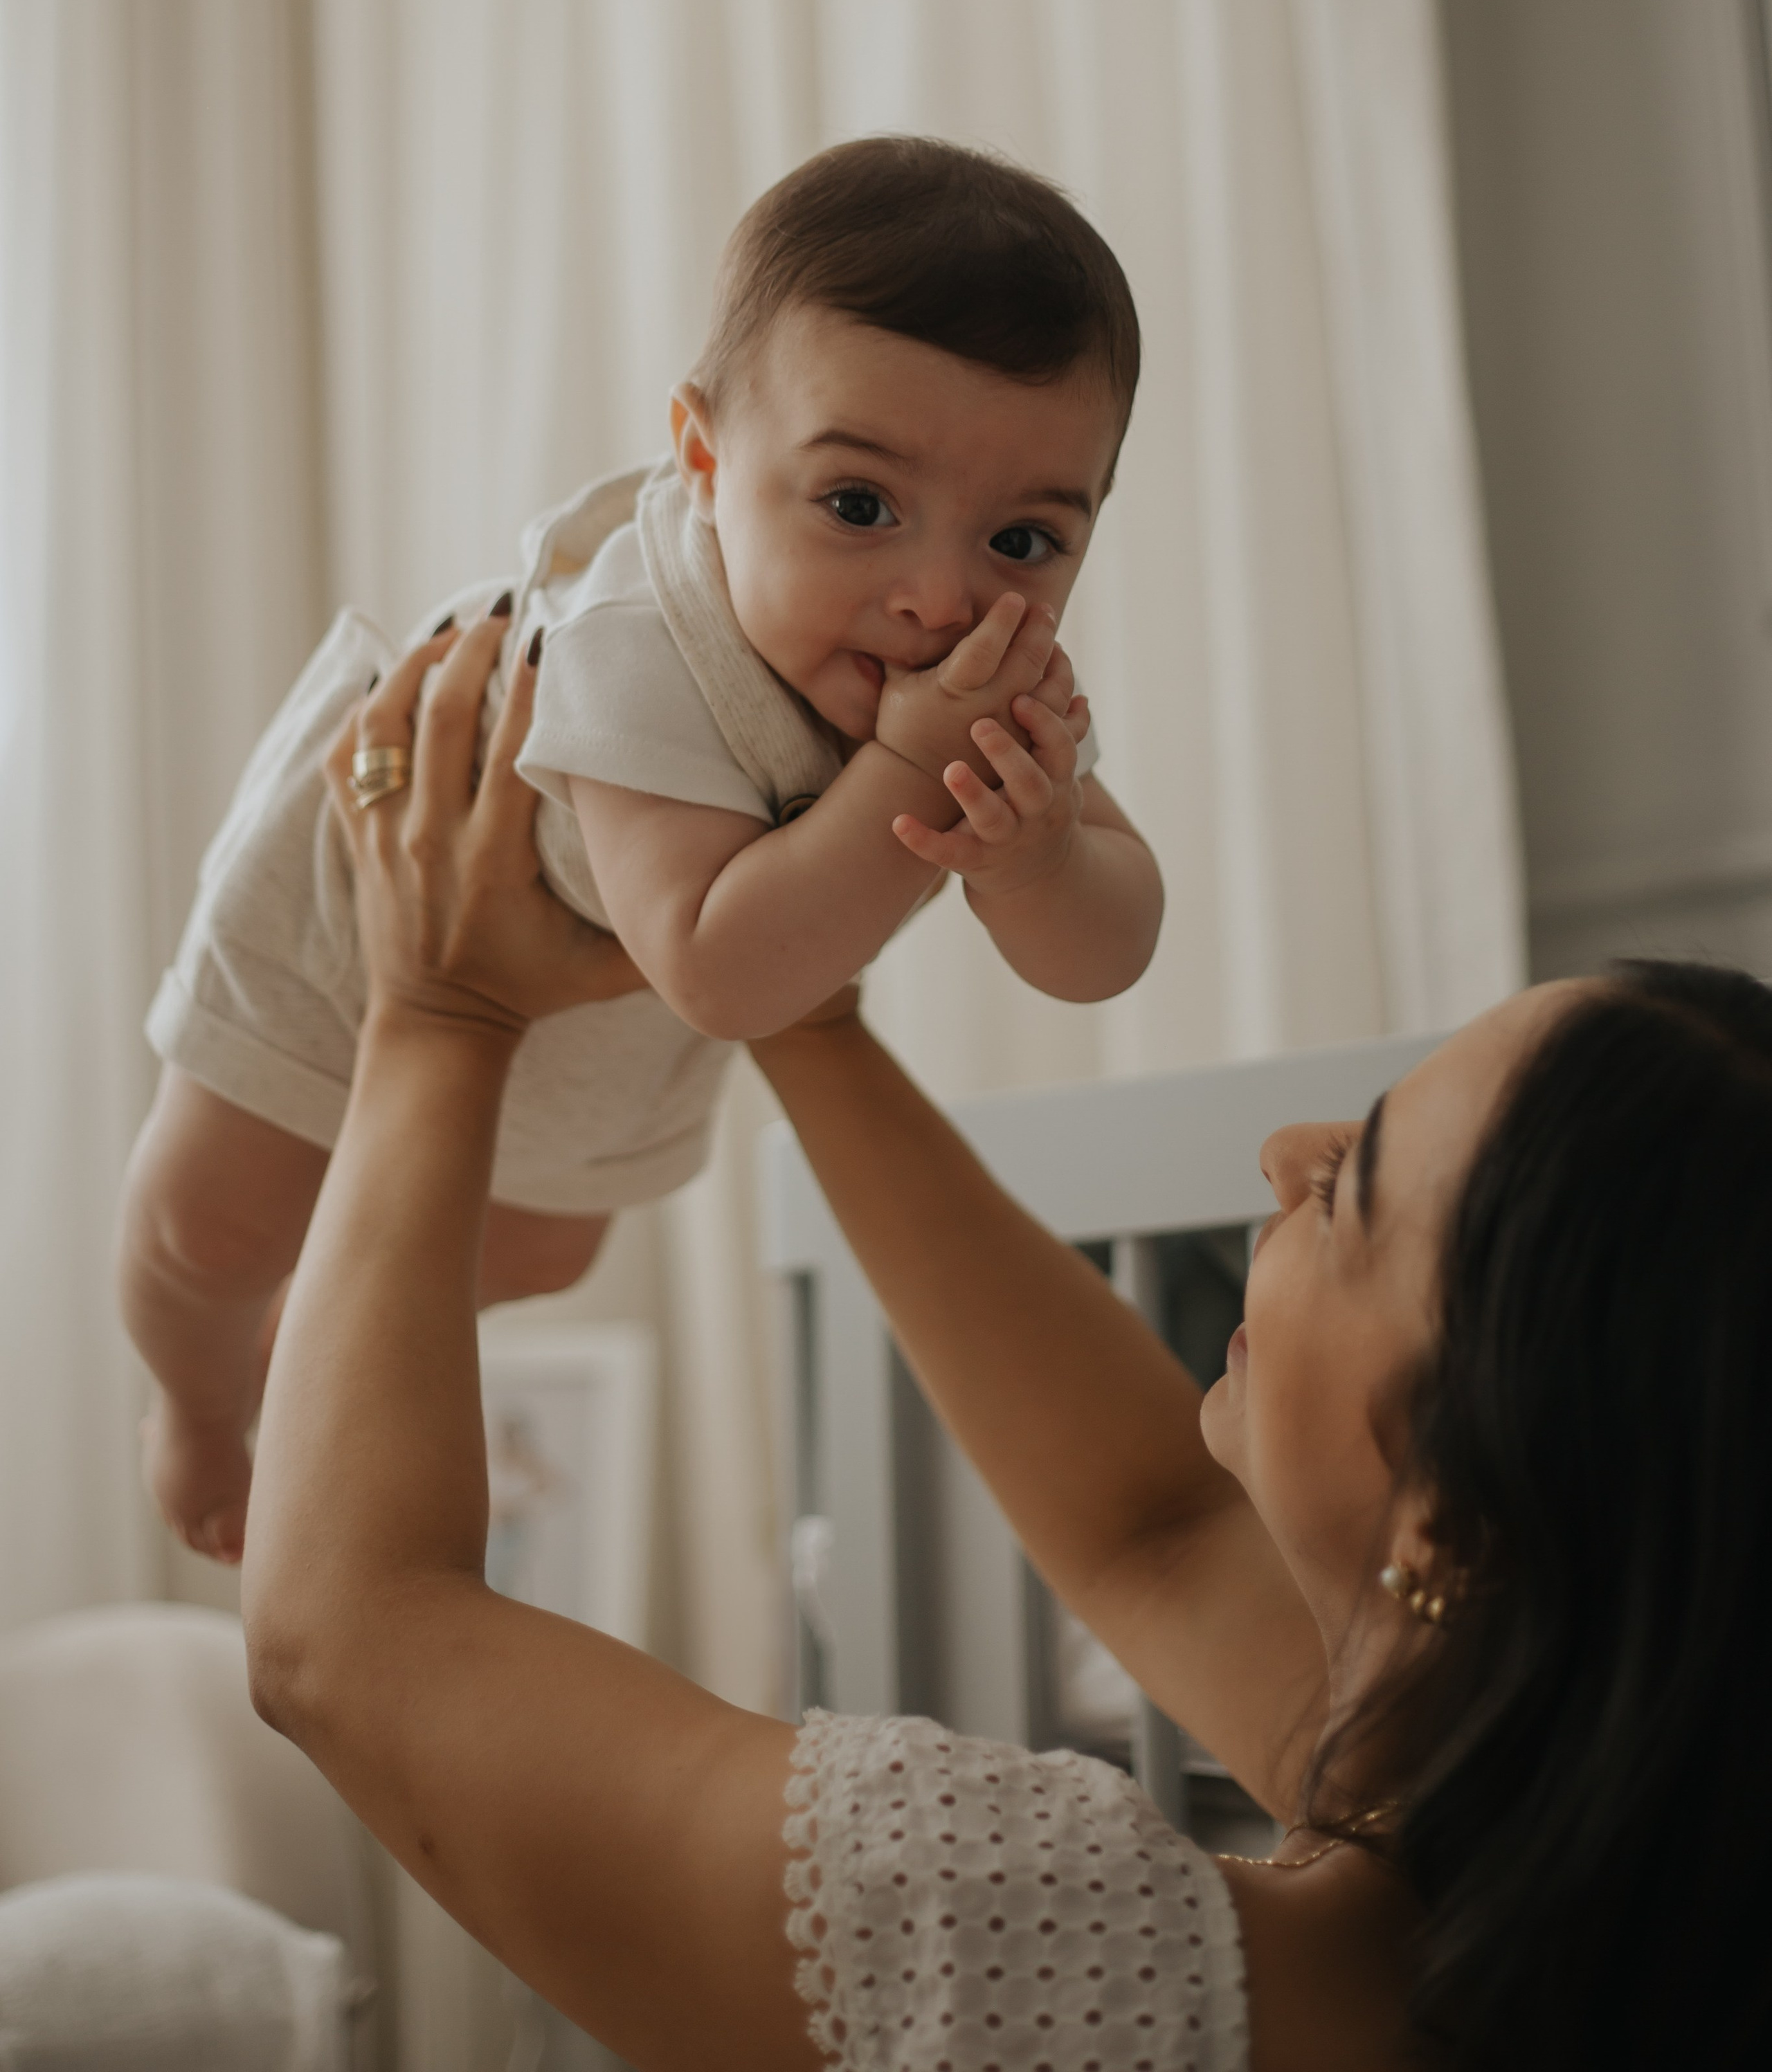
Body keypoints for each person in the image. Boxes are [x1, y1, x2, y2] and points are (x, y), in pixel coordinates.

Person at [242, 609, 1772, 2069]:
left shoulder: (1068, 1953)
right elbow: (1149, 1532)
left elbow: (347, 1632)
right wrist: (787, 993)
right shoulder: (1540, 1858)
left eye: (1352, 1184)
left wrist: (436, 1011)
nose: (1281, 1155)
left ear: (1455, 1510)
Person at [120, 135, 1164, 1563]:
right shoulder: (637, 636)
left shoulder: (996, 679)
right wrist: (916, 774)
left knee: (551, 1245)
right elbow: (726, 975)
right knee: (204, 1228)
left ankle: (317, 1323)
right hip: (371, 920)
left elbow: (1107, 952)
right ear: (702, 460)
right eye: (857, 507)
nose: (939, 595)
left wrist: (1039, 858)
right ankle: (192, 1393)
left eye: (1025, 539)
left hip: (610, 1010)